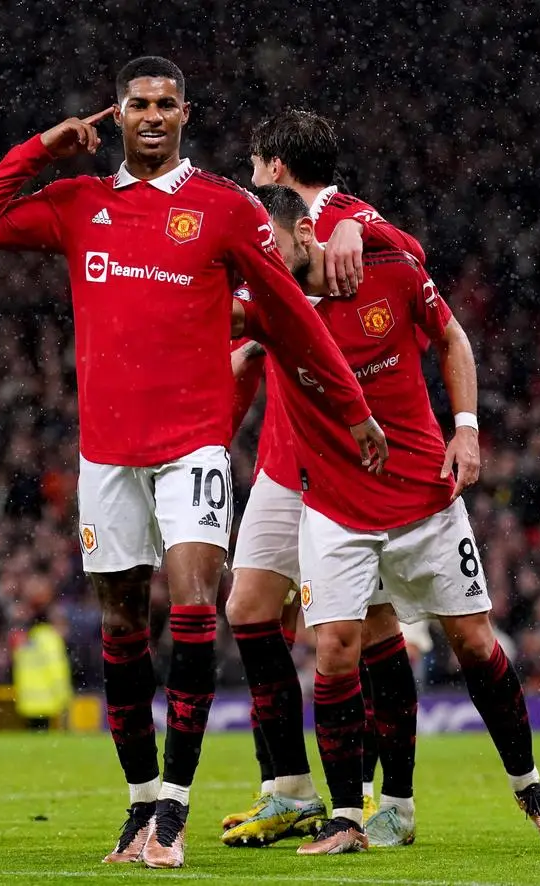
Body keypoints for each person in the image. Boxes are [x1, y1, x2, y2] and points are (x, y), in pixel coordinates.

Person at [0, 56, 387, 869]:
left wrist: (353, 407)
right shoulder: (80, 203)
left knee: (192, 608)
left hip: (193, 445)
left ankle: (176, 810)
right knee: (122, 628)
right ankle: (140, 802)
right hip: (106, 452)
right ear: (117, 114)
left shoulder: (224, 209)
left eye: (165, 105)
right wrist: (46, 145)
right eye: (137, 105)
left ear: (185, 113)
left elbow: (291, 315)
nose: (152, 115)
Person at [236, 185, 540, 855]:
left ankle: (529, 783)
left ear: (305, 232)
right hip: (334, 509)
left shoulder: (391, 269)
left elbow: (450, 336)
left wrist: (467, 428)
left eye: (271, 244)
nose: (264, 259)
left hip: (424, 498)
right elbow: (199, 319)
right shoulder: (271, 303)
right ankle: (345, 817)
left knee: (474, 642)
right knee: (334, 649)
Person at [222, 109, 427, 849]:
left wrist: (360, 228)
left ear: (275, 167)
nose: (248, 180)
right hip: (283, 456)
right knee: (248, 606)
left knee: (368, 629)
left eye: (253, 165)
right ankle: (289, 789)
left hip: (343, 458)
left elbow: (411, 253)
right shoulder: (266, 230)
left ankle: (391, 799)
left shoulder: (343, 217)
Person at [12, 610, 74, 731]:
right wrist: (63, 695)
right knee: (44, 737)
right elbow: (56, 669)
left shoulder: (29, 638)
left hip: (28, 698)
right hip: (46, 698)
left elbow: (18, 663)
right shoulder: (51, 640)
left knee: (33, 735)